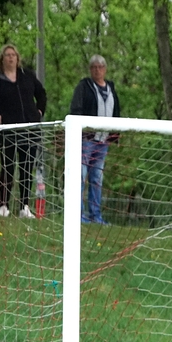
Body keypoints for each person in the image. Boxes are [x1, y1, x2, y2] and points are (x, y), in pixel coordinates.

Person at [0, 44, 47, 219]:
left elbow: (41, 94)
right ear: (2, 59)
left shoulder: (27, 76)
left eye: (13, 55)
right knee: (7, 167)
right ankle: (4, 205)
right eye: (7, 55)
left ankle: (24, 206)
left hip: (29, 130)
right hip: (7, 131)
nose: (10, 58)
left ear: (17, 58)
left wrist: (38, 112)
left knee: (26, 167)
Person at [69, 55, 121, 225]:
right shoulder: (84, 87)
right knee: (80, 176)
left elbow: (116, 112)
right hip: (87, 139)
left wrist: (115, 135)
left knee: (97, 178)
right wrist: (81, 130)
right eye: (94, 67)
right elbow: (76, 109)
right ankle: (78, 214)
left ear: (105, 69)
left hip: (103, 141)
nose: (97, 70)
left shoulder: (111, 88)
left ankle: (95, 215)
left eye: (100, 67)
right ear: (90, 70)